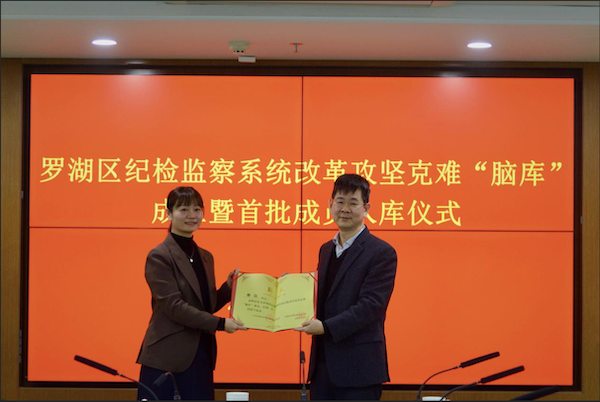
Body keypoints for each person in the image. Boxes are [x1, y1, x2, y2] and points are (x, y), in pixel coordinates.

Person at [137, 186, 246, 400]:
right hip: (167, 358)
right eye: (184, 209)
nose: (192, 215)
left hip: (201, 354)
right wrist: (221, 324)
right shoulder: (159, 256)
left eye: (197, 209)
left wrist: (228, 288)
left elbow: (205, 305)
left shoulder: (205, 256)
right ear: (168, 214)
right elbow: (174, 307)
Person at [295, 174, 397, 400]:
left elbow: (370, 306)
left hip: (359, 370)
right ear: (330, 204)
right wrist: (291, 289)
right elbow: (323, 296)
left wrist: (326, 328)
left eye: (353, 203)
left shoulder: (381, 252)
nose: (345, 209)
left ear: (366, 208)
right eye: (340, 202)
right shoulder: (326, 250)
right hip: (322, 367)